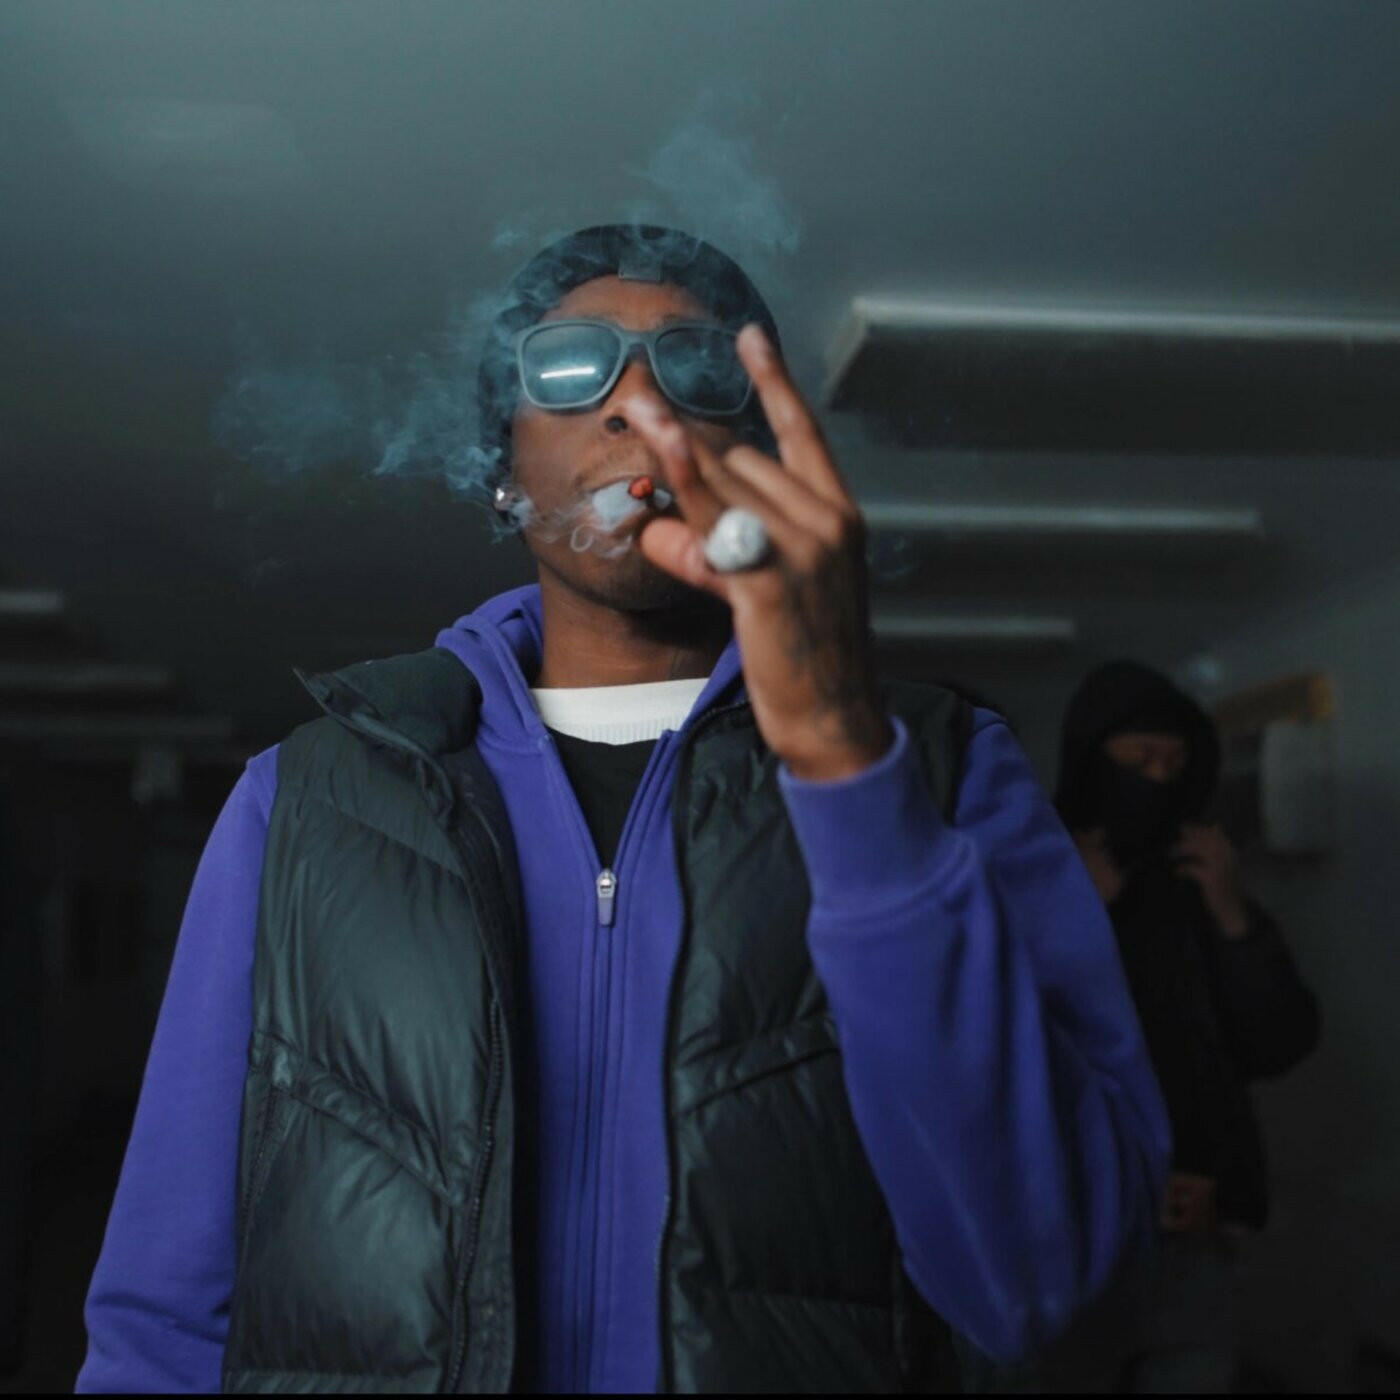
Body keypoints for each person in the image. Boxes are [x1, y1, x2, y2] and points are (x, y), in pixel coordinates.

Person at [77, 225, 1170, 1393]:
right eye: (568, 368)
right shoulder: (307, 795)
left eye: (691, 368)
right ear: (502, 470)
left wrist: (847, 767)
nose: (633, 406)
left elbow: (1042, 1282)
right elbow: (164, 1306)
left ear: (753, 458)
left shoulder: (945, 771)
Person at [1049, 658, 1320, 1391]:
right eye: (1140, 760)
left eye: (1174, 764)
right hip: (1066, 1230)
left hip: (1192, 1234)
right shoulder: (1034, 873)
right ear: (1095, 758)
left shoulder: (1195, 886)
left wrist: (1233, 914)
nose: (1158, 781)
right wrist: (1079, 912)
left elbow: (1279, 1042)